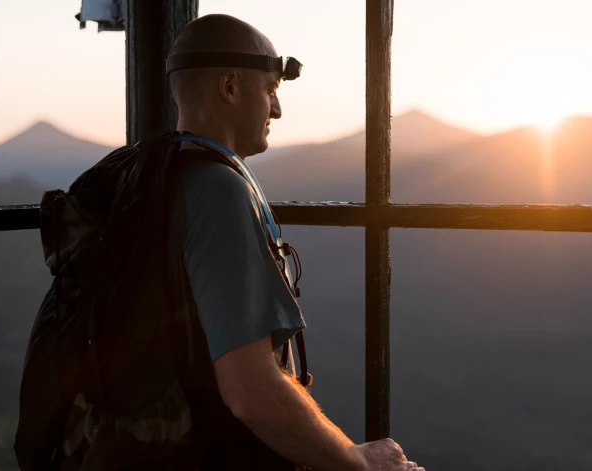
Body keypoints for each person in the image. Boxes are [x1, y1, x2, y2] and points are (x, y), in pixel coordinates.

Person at [167, 13, 425, 471]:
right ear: (229, 87)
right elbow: (250, 391)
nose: (278, 110)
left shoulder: (152, 175)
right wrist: (358, 462)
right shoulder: (219, 191)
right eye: (270, 91)